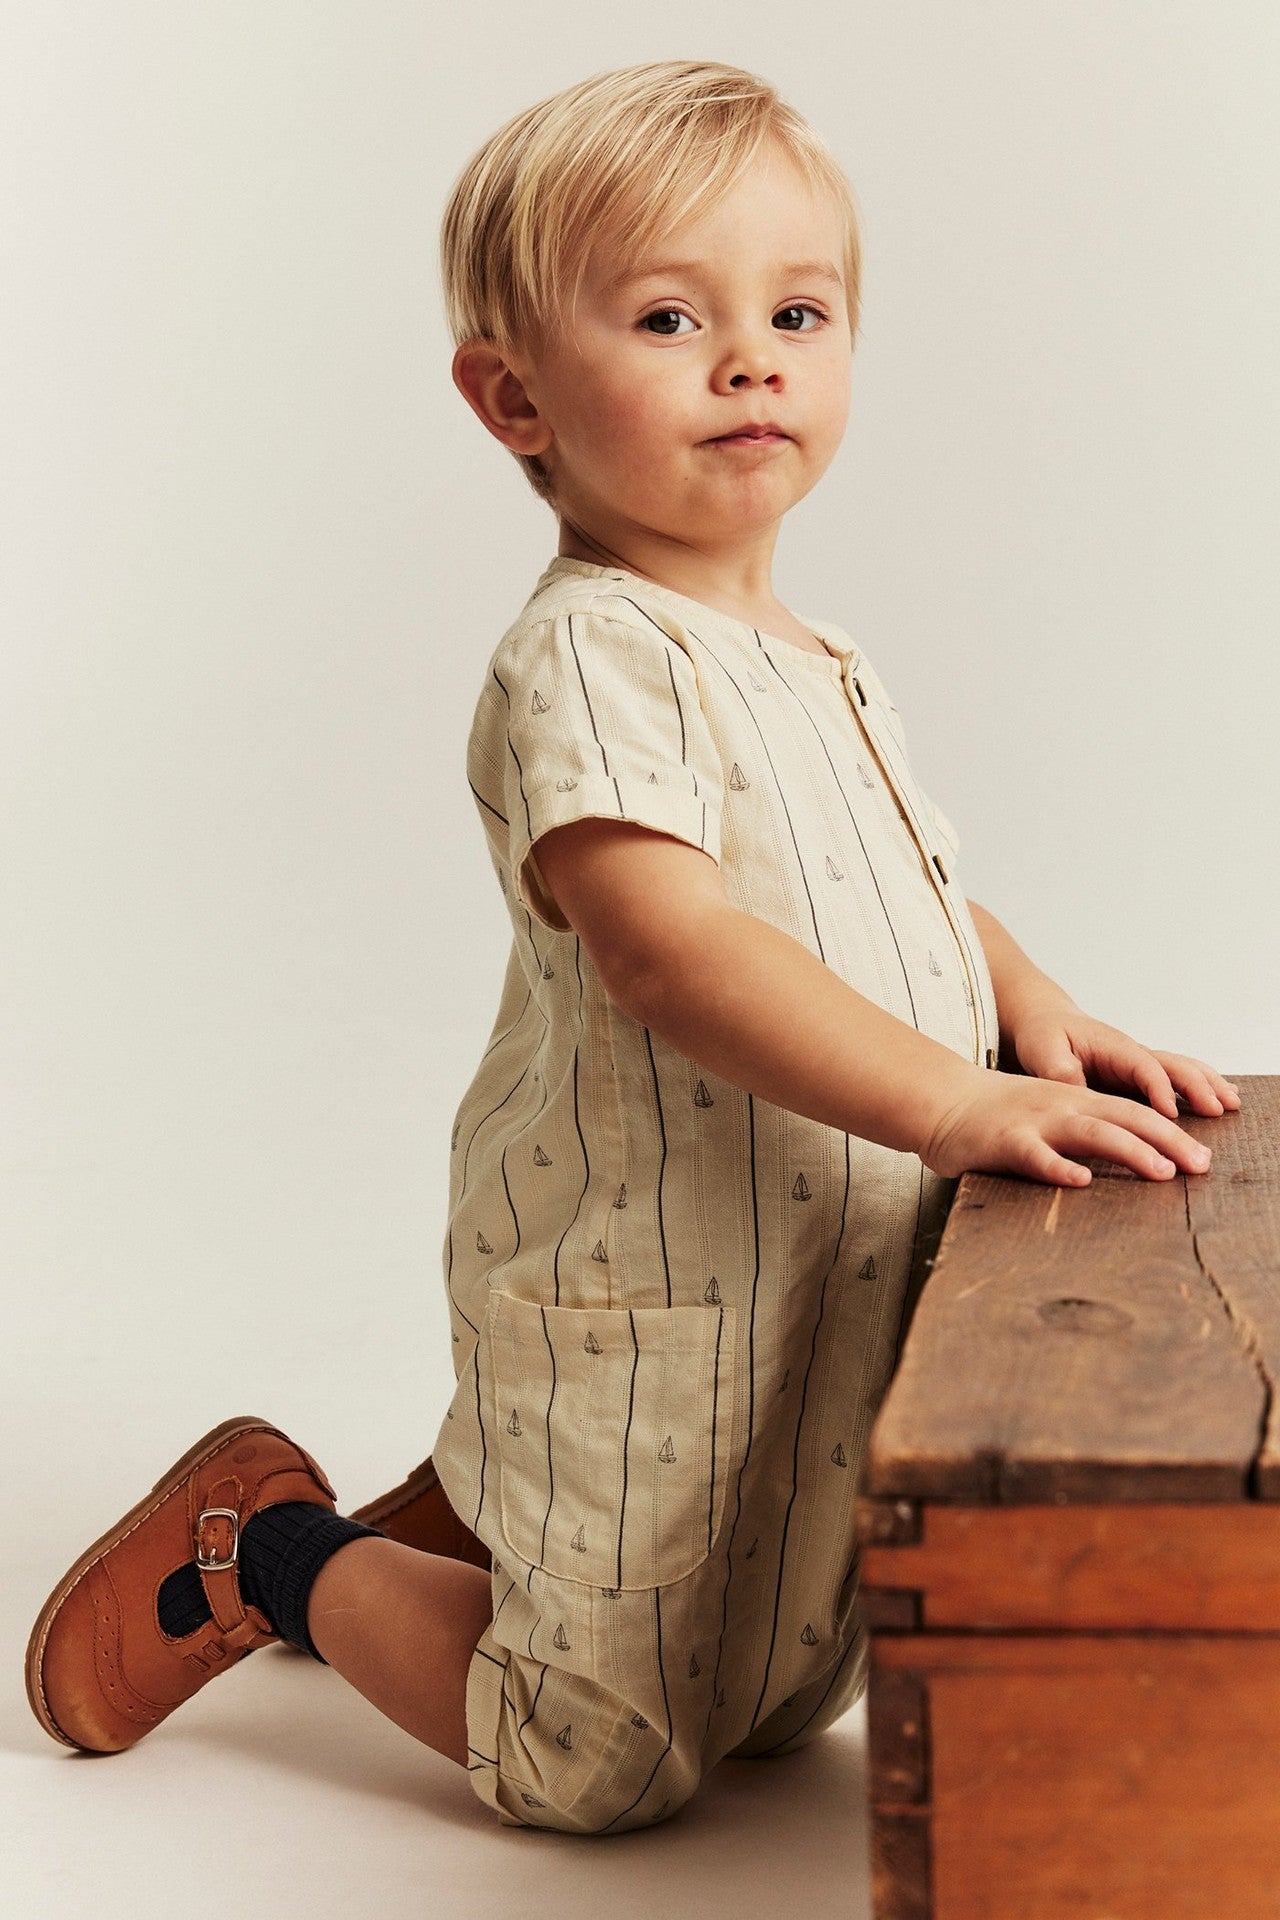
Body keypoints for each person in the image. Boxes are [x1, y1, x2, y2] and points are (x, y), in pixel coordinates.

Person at [25, 59, 1240, 1836]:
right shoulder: (589, 655)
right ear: (512, 398)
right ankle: (268, 1549)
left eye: (797, 311)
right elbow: (673, 950)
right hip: (659, 1277)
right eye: (671, 316)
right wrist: (951, 1111)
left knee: (777, 1685)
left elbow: (893, 887)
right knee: (593, 1758)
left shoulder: (820, 657)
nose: (750, 357)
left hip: (819, 1258)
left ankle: (480, 1517)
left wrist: (1036, 1011)